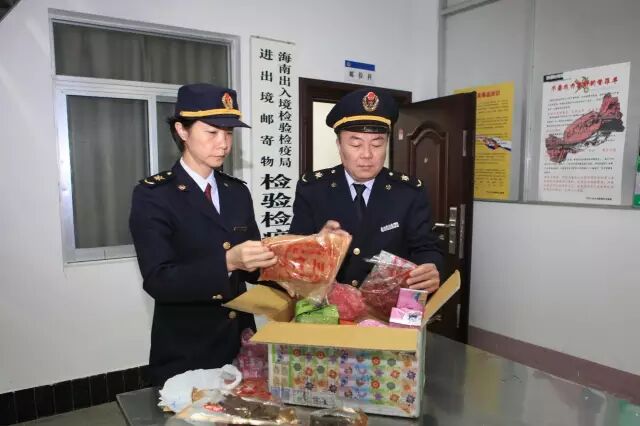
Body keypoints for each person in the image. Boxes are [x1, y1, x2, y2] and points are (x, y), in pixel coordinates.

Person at [129, 83, 277, 386]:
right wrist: (228, 261)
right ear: (182, 131)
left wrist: (301, 254)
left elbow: (254, 269)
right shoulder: (154, 195)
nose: (223, 144)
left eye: (229, 133)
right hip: (187, 348)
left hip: (241, 346)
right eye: (212, 132)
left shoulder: (236, 192)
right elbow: (159, 280)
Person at [289, 88, 443, 291]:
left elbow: (426, 248)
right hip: (330, 304)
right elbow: (294, 256)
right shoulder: (313, 189)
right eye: (356, 144)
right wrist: (316, 246)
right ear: (339, 145)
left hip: (387, 303)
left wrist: (431, 267)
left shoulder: (408, 192)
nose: (367, 155)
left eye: (377, 144)